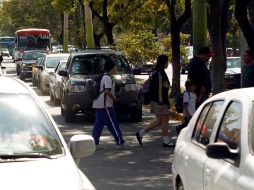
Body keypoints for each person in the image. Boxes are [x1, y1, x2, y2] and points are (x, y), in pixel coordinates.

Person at [136, 55, 174, 147]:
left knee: (159, 120)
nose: (168, 63)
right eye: (167, 61)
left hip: (156, 101)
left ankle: (140, 133)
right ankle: (166, 141)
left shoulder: (157, 72)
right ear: (163, 62)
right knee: (165, 119)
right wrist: (161, 102)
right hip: (159, 101)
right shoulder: (160, 73)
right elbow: (159, 89)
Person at [92, 59, 126, 148]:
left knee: (98, 124)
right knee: (113, 123)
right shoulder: (108, 78)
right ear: (112, 68)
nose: (116, 69)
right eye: (115, 67)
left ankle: (94, 143)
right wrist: (114, 99)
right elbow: (107, 91)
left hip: (98, 104)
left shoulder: (103, 76)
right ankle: (119, 141)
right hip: (105, 105)